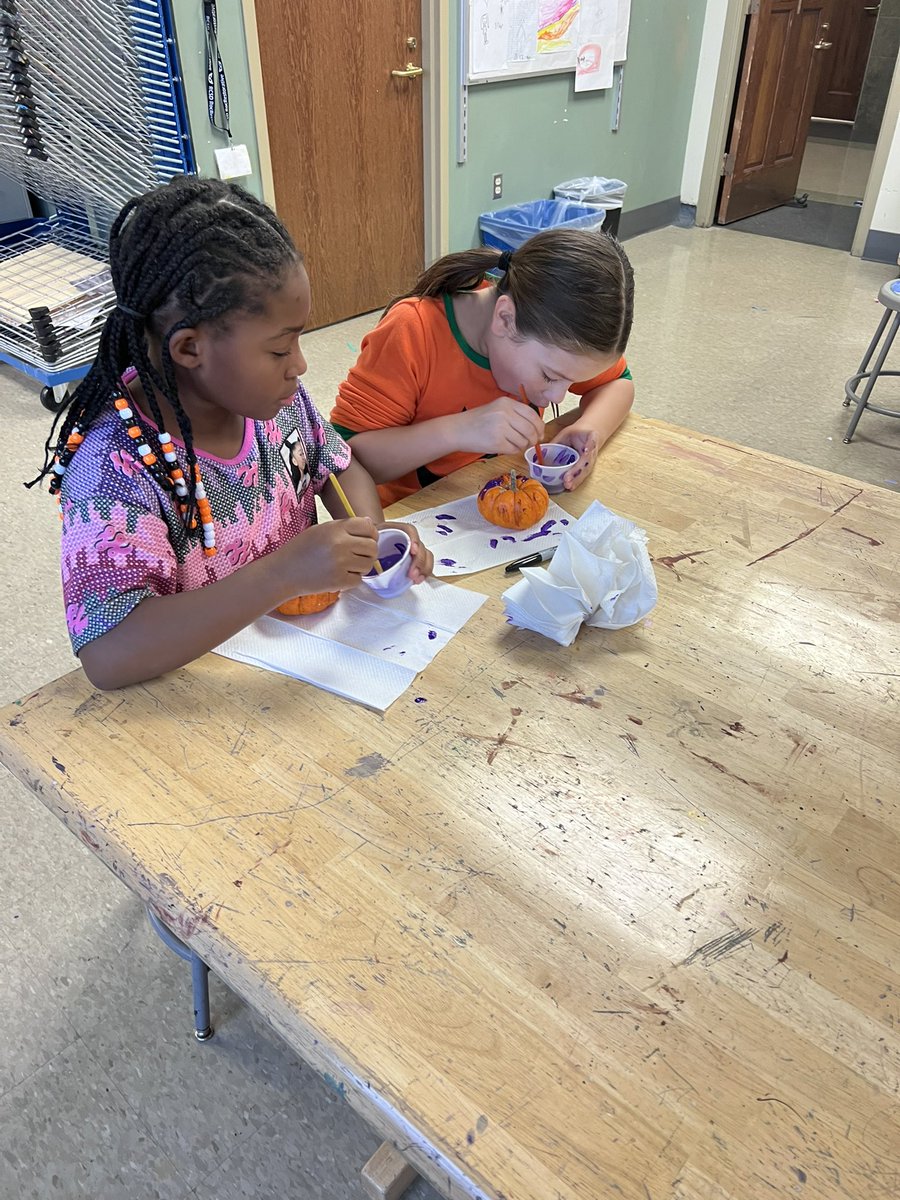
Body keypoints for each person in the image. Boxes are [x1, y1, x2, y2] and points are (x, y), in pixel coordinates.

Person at [28, 177, 432, 691]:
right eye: (280, 349)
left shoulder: (275, 402)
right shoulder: (115, 467)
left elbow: (340, 466)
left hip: (311, 670)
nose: (300, 366)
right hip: (205, 703)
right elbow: (109, 655)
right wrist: (281, 575)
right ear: (189, 348)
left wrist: (370, 539)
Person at [330, 228, 635, 507]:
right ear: (504, 318)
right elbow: (341, 460)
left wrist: (591, 428)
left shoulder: (555, 342)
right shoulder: (413, 332)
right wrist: (458, 430)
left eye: (571, 382)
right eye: (549, 376)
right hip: (413, 522)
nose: (558, 397)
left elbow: (618, 382)